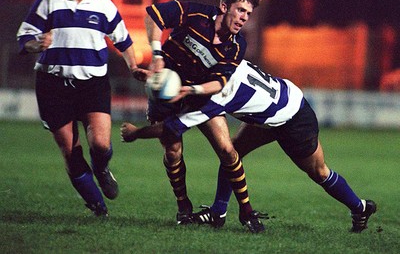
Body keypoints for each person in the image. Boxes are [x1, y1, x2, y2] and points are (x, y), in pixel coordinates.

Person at [121, 60, 377, 233]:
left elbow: (172, 128)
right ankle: (218, 213)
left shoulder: (220, 96)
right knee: (231, 153)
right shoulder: (228, 63)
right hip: (269, 113)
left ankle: (360, 207)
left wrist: (136, 133)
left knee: (319, 172)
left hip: (293, 116)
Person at [16, 0, 147, 216]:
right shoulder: (49, 0)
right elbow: (24, 38)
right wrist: (36, 44)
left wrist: (133, 66)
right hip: (53, 85)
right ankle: (97, 205)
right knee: (71, 152)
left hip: (92, 84)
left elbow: (123, 41)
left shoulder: (103, 5)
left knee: (100, 143)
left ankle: (101, 168)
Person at [143, 0, 265, 232]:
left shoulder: (237, 45)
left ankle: (247, 211)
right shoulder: (194, 14)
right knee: (173, 152)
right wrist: (157, 54)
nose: (243, 17)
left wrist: (191, 91)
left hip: (198, 95)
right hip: (165, 90)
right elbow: (153, 14)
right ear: (224, 7)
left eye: (248, 14)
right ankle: (183, 207)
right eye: (240, 10)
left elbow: (219, 82)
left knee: (227, 150)